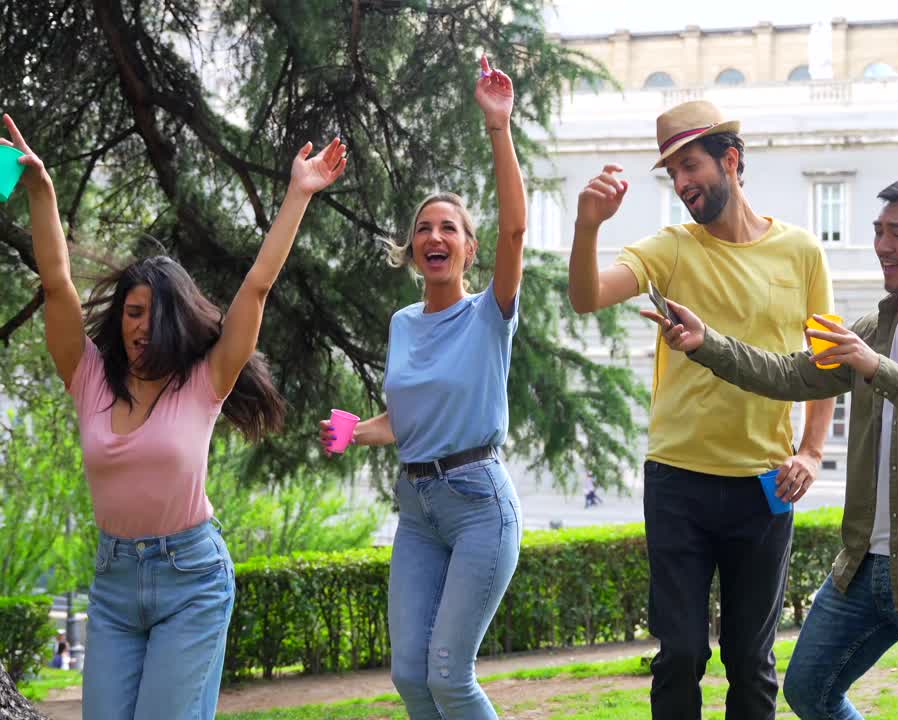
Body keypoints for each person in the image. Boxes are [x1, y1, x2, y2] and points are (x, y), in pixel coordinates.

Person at [3, 112, 345, 719]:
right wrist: (41, 190)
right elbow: (57, 285)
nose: (139, 325)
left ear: (176, 319)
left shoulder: (204, 380)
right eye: (132, 312)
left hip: (192, 581)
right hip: (112, 585)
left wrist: (299, 193)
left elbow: (257, 288)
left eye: (152, 314)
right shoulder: (89, 378)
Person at [643, 174, 898, 720]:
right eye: (878, 231)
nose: (882, 245)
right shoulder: (876, 325)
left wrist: (876, 366)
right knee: (808, 688)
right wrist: (707, 344)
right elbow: (791, 374)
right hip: (864, 566)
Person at [568, 99, 836, 719]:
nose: (683, 183)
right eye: (673, 174)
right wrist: (587, 226)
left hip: (766, 483)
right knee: (682, 652)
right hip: (678, 480)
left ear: (731, 160)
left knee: (751, 660)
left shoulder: (800, 252)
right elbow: (586, 297)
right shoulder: (672, 248)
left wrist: (813, 451)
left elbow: (827, 359)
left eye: (691, 166)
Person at [318, 57, 525, 720]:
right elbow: (406, 417)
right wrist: (359, 430)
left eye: (450, 229)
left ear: (469, 247)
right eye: (424, 229)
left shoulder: (491, 310)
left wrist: (499, 127)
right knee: (410, 675)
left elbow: (516, 229)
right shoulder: (404, 323)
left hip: (478, 505)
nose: (435, 236)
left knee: (448, 677)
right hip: (419, 507)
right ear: (412, 250)